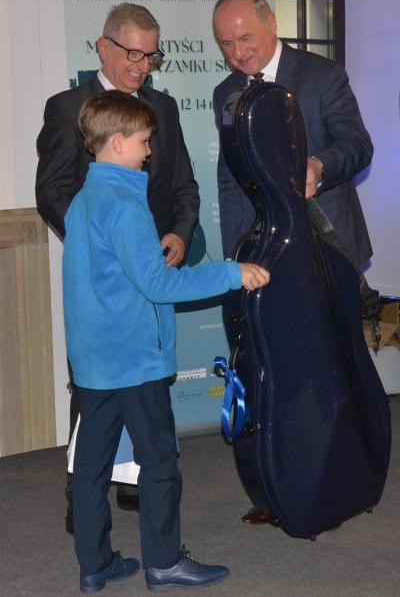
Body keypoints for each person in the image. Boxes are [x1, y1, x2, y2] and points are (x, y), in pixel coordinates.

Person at [64, 89, 270, 592]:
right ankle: (163, 563)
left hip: (94, 361)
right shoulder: (123, 205)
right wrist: (231, 273)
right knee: (158, 462)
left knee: (91, 467)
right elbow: (158, 285)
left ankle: (94, 565)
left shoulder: (83, 200)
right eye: (143, 141)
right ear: (117, 143)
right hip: (135, 359)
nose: (149, 151)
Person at [212, 0, 374, 525]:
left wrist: (319, 167)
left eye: (246, 38)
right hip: (266, 262)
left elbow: (359, 145)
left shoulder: (322, 76)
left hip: (328, 252)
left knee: (338, 372)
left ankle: (347, 482)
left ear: (271, 25)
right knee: (278, 375)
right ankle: (286, 484)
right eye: (226, 43)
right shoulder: (225, 94)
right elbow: (230, 183)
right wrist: (237, 257)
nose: (238, 52)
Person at [36, 2, 200, 531]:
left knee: (147, 382)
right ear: (103, 47)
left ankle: (136, 483)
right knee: (95, 388)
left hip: (152, 274)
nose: (142, 65)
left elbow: (183, 186)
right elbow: (52, 190)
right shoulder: (67, 107)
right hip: (103, 280)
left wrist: (179, 232)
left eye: (151, 55)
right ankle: (81, 496)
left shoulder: (163, 108)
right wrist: (101, 243)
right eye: (133, 53)